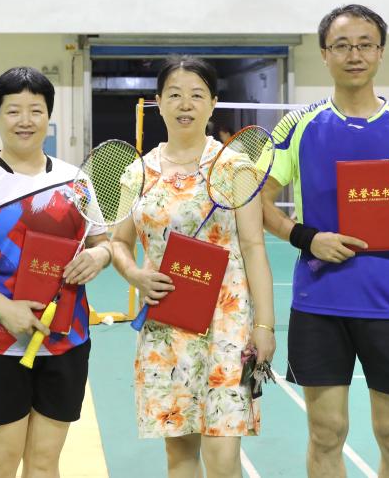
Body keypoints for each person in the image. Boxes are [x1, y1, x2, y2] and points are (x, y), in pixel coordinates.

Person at [260, 4, 389, 478]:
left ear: (380, 52)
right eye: (341, 45)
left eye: (365, 45)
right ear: (324, 54)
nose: (354, 55)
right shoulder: (297, 124)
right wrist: (307, 238)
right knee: (326, 433)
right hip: (320, 301)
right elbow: (258, 202)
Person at [110, 56, 275, 478]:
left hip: (227, 325)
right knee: (179, 455)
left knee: (222, 457)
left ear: (213, 102)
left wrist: (265, 326)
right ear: (158, 102)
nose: (185, 104)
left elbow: (254, 247)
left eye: (197, 95)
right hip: (167, 324)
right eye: (175, 95)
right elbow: (119, 243)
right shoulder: (137, 173)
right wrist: (134, 275)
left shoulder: (235, 168)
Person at [0, 67, 112, 478]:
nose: (25, 120)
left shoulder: (76, 181)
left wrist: (100, 256)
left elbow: (105, 242)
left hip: (67, 339)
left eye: (35, 110)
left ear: (48, 116)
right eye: (13, 110)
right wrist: (4, 309)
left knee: (44, 463)